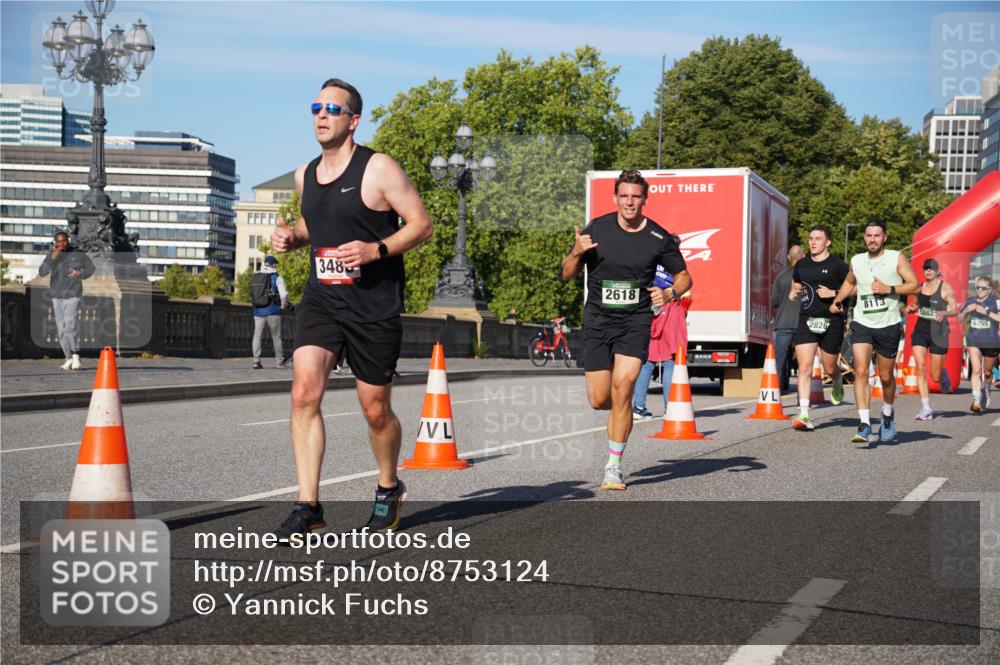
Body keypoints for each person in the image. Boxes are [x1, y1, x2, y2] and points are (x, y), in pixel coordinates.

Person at [269, 78, 433, 540]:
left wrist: (376, 250)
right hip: (322, 299)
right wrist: (292, 238)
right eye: (316, 106)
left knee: (375, 409)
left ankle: (387, 488)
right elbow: (313, 225)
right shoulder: (305, 174)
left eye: (332, 109)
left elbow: (421, 225)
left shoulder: (379, 169)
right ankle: (308, 506)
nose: (322, 115)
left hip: (372, 305)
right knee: (304, 393)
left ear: (353, 120)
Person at [562, 169, 691, 491]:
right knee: (599, 399)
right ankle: (617, 417)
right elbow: (566, 274)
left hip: (635, 322)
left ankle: (613, 467)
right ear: (615, 198)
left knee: (624, 389)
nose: (630, 202)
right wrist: (576, 252)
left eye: (636, 196)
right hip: (597, 321)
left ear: (644, 200)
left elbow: (685, 278)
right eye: (625, 196)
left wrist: (670, 293)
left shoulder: (658, 238)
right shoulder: (597, 229)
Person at [830, 220, 918, 443]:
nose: (872, 239)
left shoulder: (895, 257)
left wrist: (890, 289)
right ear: (864, 238)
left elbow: (914, 284)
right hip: (862, 323)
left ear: (884, 237)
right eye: (869, 235)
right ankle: (864, 423)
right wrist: (838, 299)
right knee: (861, 370)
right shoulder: (857, 260)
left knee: (886, 376)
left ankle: (887, 414)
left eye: (877, 235)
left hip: (888, 323)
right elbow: (850, 282)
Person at [790, 226, 850, 431]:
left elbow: (855, 286)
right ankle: (804, 414)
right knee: (804, 367)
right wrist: (794, 293)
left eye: (818, 238)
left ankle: (837, 379)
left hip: (831, 320)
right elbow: (797, 284)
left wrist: (834, 292)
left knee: (830, 367)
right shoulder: (801, 264)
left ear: (828, 242)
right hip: (806, 319)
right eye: (811, 238)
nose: (813, 242)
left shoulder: (838, 265)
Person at [632, 256, 689, 420]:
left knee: (647, 360)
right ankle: (670, 408)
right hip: (671, 308)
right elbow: (686, 290)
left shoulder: (649, 260)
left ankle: (639, 407)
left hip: (648, 307)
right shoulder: (678, 266)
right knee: (670, 360)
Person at [905, 258, 958, 420]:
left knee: (934, 376)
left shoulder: (945, 288)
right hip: (920, 331)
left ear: (937, 271)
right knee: (920, 367)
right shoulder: (919, 288)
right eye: (926, 268)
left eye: (931, 268)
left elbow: (955, 310)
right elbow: (915, 305)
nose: (928, 271)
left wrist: (944, 313)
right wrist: (911, 308)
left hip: (939, 333)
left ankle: (942, 374)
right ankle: (926, 408)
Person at [37, 231, 94, 370]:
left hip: (73, 293)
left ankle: (76, 354)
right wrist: (52, 258)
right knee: (61, 329)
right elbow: (42, 272)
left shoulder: (78, 253)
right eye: (59, 241)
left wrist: (79, 274)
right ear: (55, 242)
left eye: (64, 240)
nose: (62, 243)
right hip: (57, 295)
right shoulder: (52, 255)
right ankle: (68, 357)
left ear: (68, 240)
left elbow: (91, 268)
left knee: (70, 324)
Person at [958, 276, 1000, 413]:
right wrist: (965, 311)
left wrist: (987, 312)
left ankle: (986, 391)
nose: (980, 290)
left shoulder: (996, 300)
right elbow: (959, 319)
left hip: (991, 341)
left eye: (983, 288)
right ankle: (976, 400)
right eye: (978, 287)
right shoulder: (971, 300)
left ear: (989, 290)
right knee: (976, 370)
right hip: (973, 339)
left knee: (987, 372)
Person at [771, 244, 805, 393]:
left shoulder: (781, 276)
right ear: (804, 257)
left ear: (788, 258)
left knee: (779, 360)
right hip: (803, 324)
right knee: (803, 363)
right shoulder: (808, 276)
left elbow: (774, 302)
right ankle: (802, 398)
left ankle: (774, 395)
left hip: (783, 323)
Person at [251, 255, 289, 369]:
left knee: (257, 336)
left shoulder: (256, 276)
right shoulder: (277, 277)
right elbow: (284, 294)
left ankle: (256, 361)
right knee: (276, 337)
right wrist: (283, 305)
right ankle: (279, 362)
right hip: (273, 311)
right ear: (274, 265)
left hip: (258, 311)